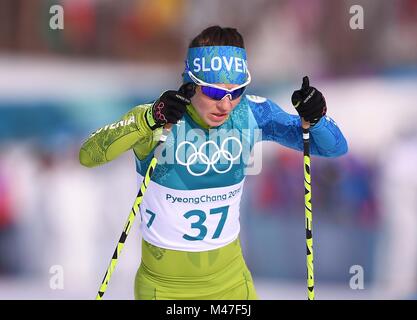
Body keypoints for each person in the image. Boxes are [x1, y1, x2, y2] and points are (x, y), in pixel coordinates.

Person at [79, 25, 348, 300]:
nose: (226, 105)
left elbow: (334, 148)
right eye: (215, 93)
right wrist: (146, 120)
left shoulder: (252, 114)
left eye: (237, 91)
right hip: (164, 290)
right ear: (191, 83)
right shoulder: (159, 118)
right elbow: (88, 155)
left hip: (230, 286)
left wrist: (317, 119)